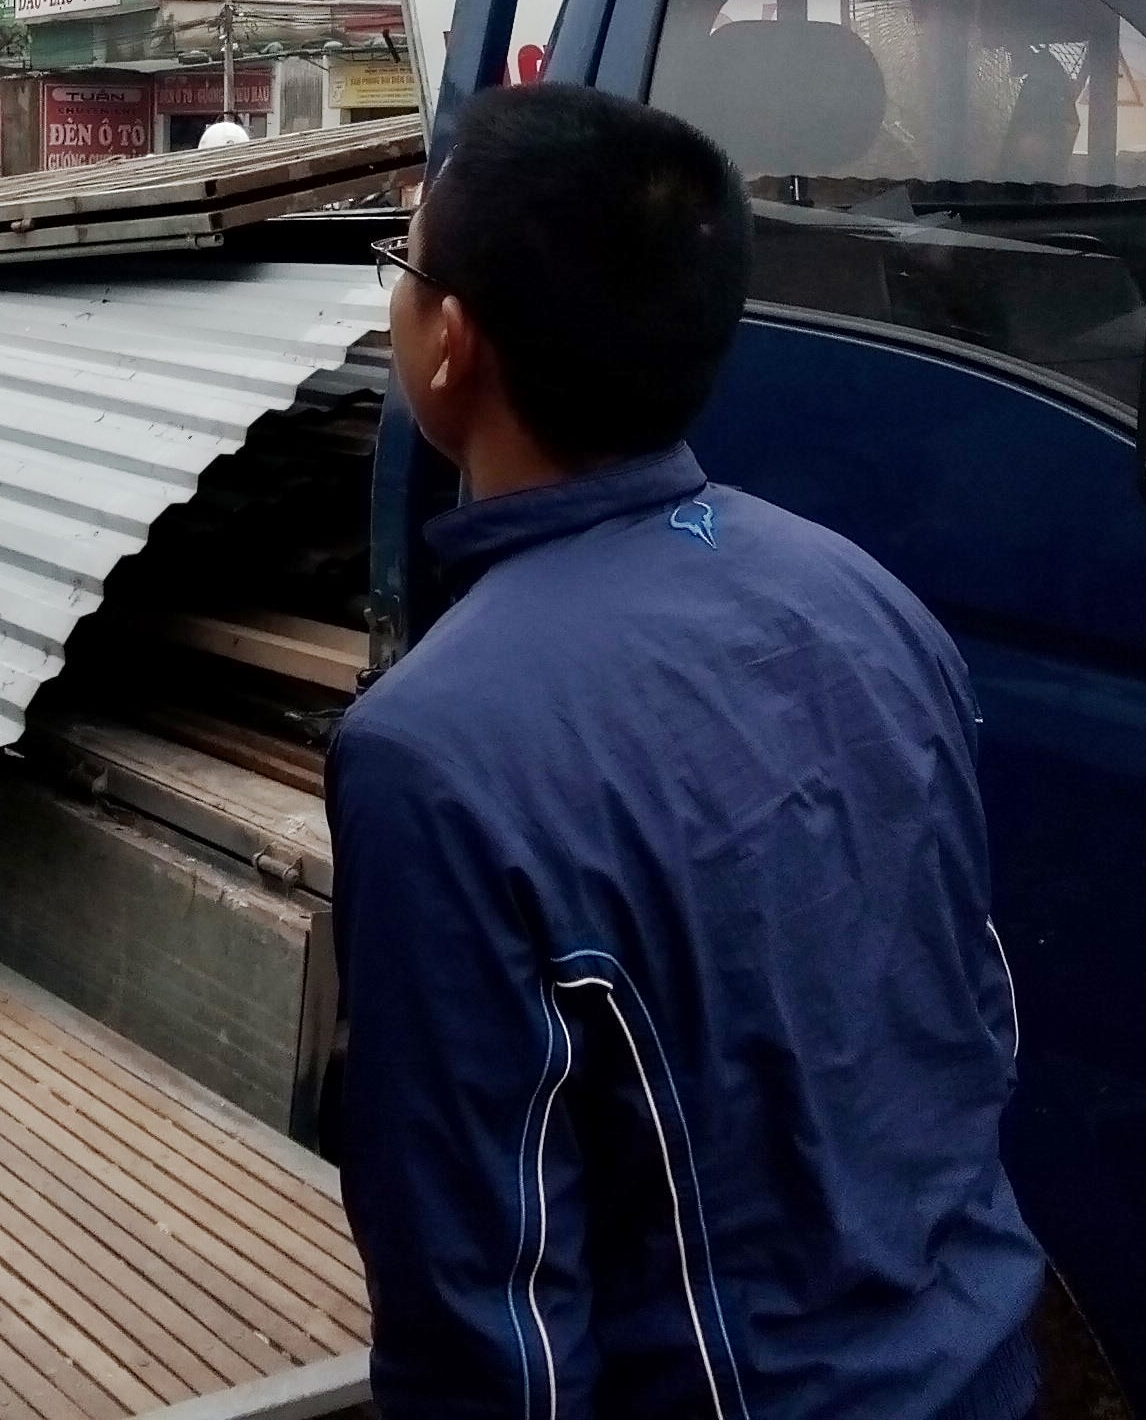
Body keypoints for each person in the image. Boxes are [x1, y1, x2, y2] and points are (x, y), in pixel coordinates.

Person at [330, 82, 1045, 1420]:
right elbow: (966, 1027)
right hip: (977, 1369)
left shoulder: (434, 754)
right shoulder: (865, 599)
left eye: (406, 265)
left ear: (450, 345)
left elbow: (486, 1307)